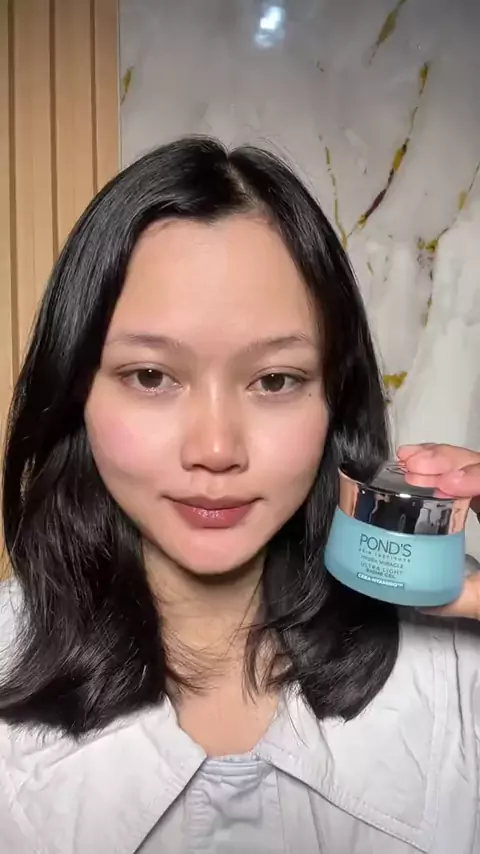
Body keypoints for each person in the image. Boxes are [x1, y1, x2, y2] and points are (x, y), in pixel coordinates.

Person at [0, 137, 478, 854]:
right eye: (151, 376)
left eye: (275, 380)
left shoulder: (460, 679)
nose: (217, 449)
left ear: (334, 403)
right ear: (76, 395)